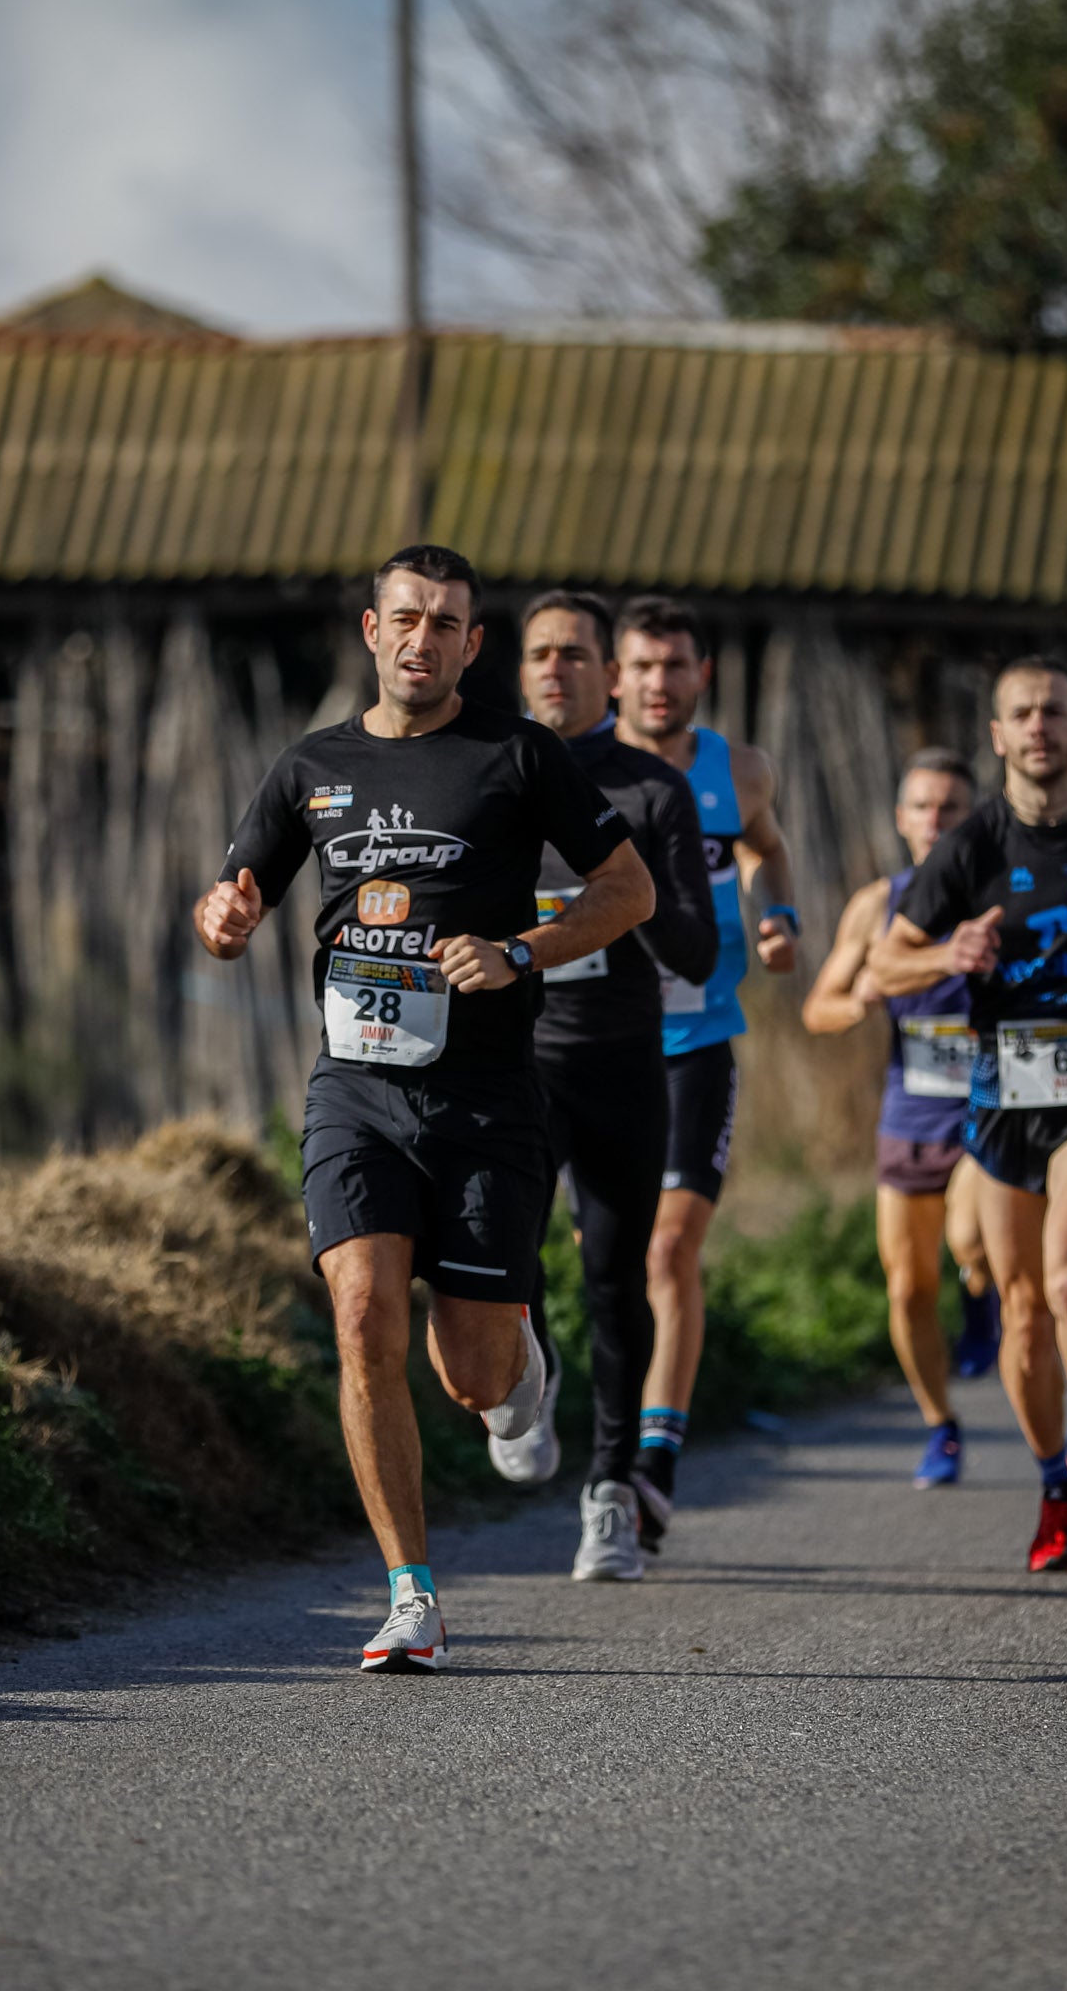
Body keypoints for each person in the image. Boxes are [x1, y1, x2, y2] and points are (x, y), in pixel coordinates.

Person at [195, 545, 653, 1671]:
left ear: (471, 644)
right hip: (357, 1088)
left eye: (447, 624)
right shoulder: (312, 767)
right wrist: (223, 917)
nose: (424, 639)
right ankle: (412, 1593)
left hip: (490, 1095)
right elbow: (235, 890)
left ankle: (523, 1368)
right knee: (361, 1317)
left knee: (473, 1374)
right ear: (370, 629)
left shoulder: (517, 754)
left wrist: (516, 950)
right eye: (407, 618)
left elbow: (627, 889)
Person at [872, 657, 1067, 1573]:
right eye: (1021, 714)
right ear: (998, 735)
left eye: (1053, 712)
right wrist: (951, 949)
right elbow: (886, 967)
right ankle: (1053, 1485)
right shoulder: (972, 845)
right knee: (1022, 1311)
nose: (1038, 727)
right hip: (999, 1101)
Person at [508, 591, 719, 1580]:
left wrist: (611, 899)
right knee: (503, 1242)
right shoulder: (493, 773)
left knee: (615, 1276)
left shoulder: (651, 791)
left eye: (577, 654)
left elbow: (696, 947)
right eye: (540, 653)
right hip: (516, 1053)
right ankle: (529, 1370)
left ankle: (609, 1491)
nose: (557, 668)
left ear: (609, 673)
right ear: (517, 669)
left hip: (625, 1057)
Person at [614, 595, 802, 1552]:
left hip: (699, 1045)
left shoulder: (742, 770)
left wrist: (782, 920)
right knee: (604, 1257)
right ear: (615, 677)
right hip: (598, 1049)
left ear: (702, 675)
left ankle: (655, 1464)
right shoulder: (579, 772)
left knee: (668, 1252)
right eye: (642, 666)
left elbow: (769, 853)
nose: (659, 682)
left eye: (675, 664)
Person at [799, 749, 979, 1488]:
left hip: (990, 1109)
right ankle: (941, 1424)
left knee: (971, 1237)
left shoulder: (997, 892)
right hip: (910, 1111)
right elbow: (819, 1007)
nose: (934, 820)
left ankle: (986, 1300)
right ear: (901, 819)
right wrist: (862, 1000)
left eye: (950, 808)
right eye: (922, 807)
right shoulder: (879, 903)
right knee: (907, 1290)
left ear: (973, 820)